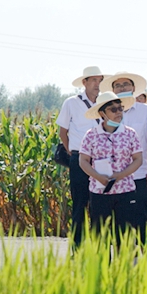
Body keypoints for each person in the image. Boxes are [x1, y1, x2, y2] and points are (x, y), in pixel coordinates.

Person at [78, 92, 144, 245]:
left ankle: (124, 261)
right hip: (99, 191)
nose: (118, 112)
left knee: (125, 236)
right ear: (102, 113)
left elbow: (138, 159)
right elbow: (83, 160)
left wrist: (120, 175)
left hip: (125, 190)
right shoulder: (91, 135)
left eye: (120, 108)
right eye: (113, 110)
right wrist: (98, 176)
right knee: (100, 237)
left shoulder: (130, 133)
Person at [100, 72, 147, 241]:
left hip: (140, 175)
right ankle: (123, 256)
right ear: (113, 90)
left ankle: (146, 256)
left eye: (126, 84)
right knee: (120, 225)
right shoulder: (106, 113)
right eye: (118, 86)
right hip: (115, 177)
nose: (122, 88)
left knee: (143, 222)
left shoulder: (146, 111)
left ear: (133, 88)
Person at [57, 66, 104, 246]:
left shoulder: (105, 103)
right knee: (79, 205)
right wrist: (72, 152)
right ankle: (78, 247)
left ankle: (98, 246)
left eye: (99, 80)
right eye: (93, 80)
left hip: (101, 159)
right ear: (84, 82)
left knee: (99, 205)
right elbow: (63, 132)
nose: (97, 84)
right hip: (79, 158)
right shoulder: (71, 103)